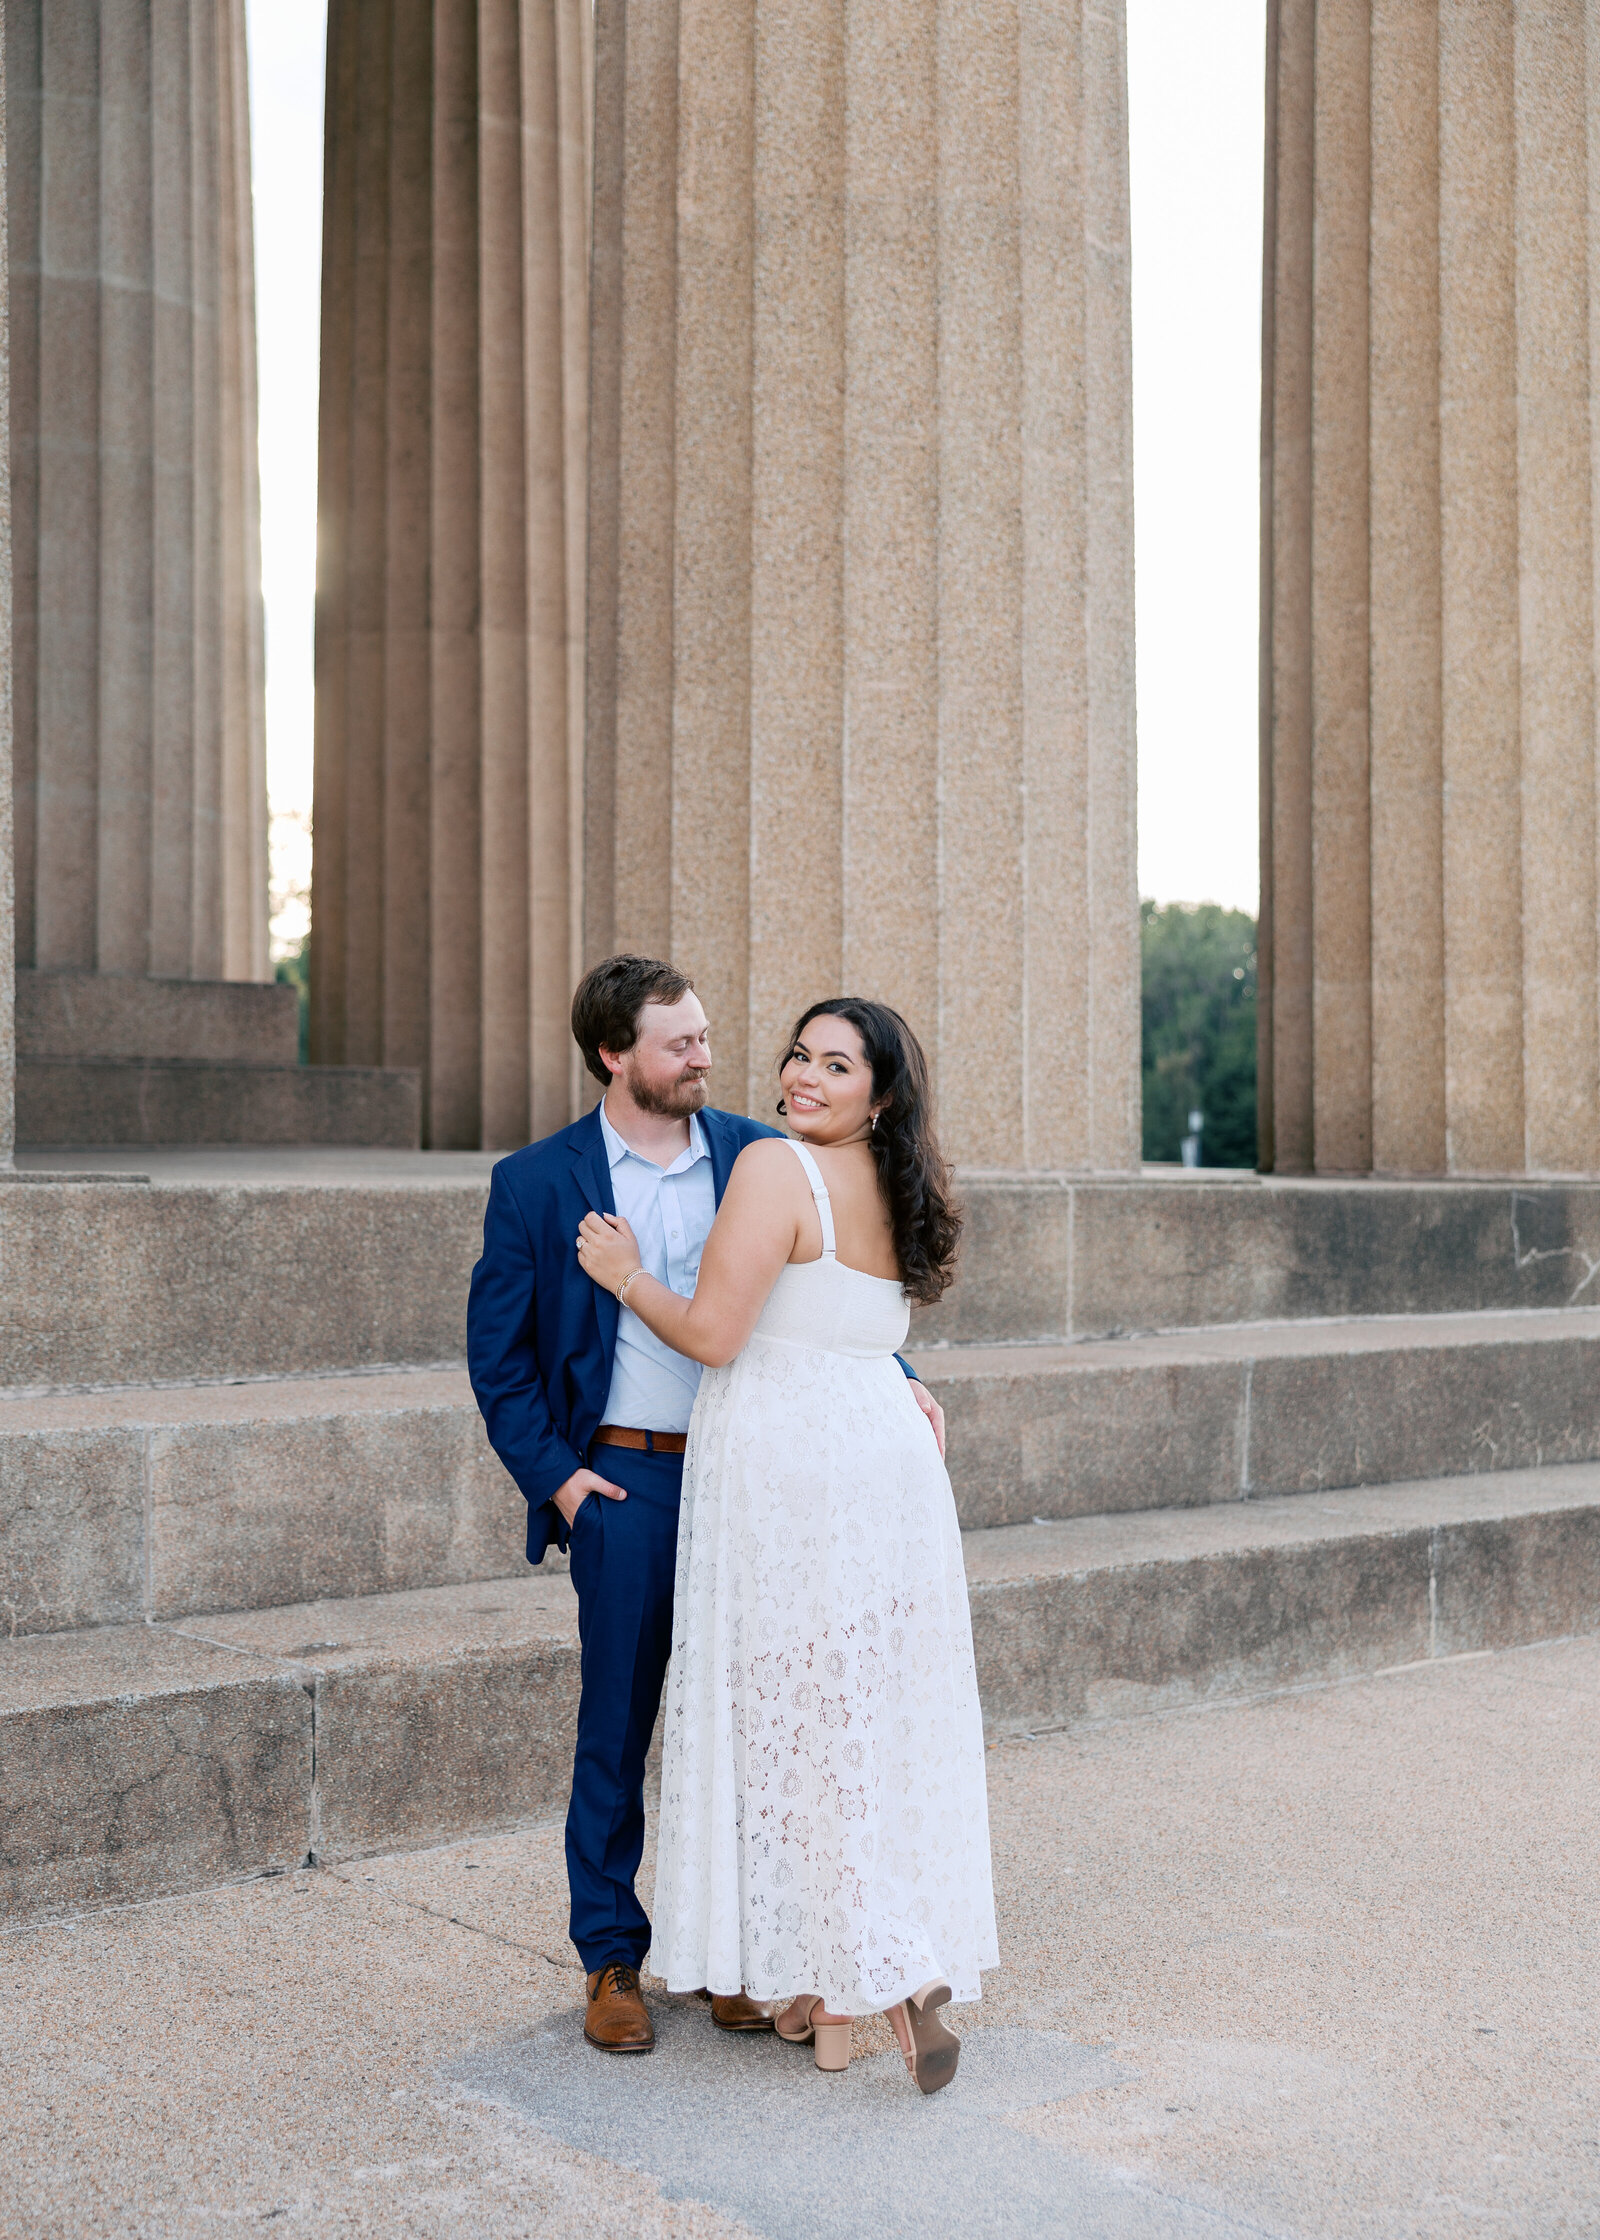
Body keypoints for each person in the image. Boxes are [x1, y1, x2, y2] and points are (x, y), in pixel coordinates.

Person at [467, 957, 947, 2055]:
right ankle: (612, 1955)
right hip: (629, 1483)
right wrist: (560, 1477)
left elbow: (828, 1303)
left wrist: (902, 1381)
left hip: (764, 1485)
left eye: (707, 1035)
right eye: (678, 1041)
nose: (706, 1056)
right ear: (612, 1054)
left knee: (753, 1725)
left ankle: (739, 1954)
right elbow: (497, 1360)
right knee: (622, 1725)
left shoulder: (761, 1148)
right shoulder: (537, 1183)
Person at [576, 996, 997, 2094]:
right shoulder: (901, 1188)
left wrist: (626, 1276)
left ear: (881, 1091)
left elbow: (719, 1334)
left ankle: (874, 1970)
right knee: (855, 1713)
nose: (804, 1074)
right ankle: (827, 1999)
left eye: (837, 1063)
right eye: (798, 1054)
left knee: (794, 1721)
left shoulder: (774, 1168)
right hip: (886, 1473)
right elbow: (853, 1332)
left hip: (790, 1477)